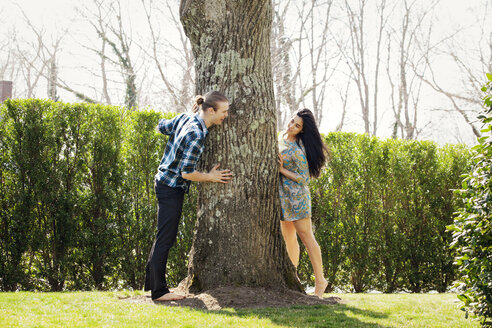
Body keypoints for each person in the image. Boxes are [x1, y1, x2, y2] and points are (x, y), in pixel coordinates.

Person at [145, 91, 233, 301]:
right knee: (165, 238)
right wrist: (211, 177)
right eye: (224, 111)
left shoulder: (187, 117)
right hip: (171, 188)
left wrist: (185, 116)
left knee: (162, 236)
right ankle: (159, 292)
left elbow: (160, 126)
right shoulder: (197, 134)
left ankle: (151, 284)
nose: (226, 116)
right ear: (210, 110)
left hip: (163, 181)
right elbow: (187, 172)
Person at [278, 108, 328, 299]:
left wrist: (282, 170)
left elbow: (304, 178)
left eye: (297, 125)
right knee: (288, 237)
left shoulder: (299, 149)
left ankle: (320, 281)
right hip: (283, 197)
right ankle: (294, 279)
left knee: (307, 238)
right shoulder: (281, 137)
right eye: (292, 121)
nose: (291, 126)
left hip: (297, 198)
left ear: (302, 131)